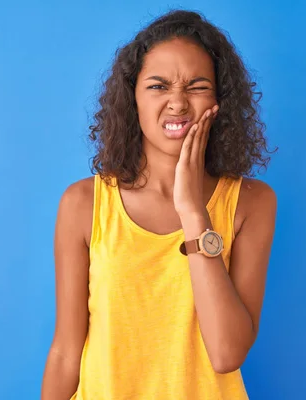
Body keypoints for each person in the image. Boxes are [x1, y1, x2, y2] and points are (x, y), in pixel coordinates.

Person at [41, 9, 277, 400]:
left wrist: (192, 211)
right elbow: (66, 352)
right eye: (158, 86)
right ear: (132, 97)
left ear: (220, 100)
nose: (178, 103)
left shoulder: (251, 203)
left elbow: (226, 353)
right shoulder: (83, 203)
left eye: (197, 86)